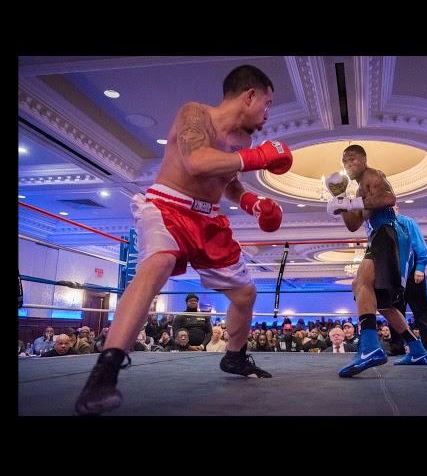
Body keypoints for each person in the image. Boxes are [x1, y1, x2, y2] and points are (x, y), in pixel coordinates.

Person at [75, 65, 293, 415]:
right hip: (168, 205)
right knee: (159, 261)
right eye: (266, 103)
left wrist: (254, 204)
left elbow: (228, 179)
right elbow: (196, 161)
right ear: (249, 95)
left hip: (209, 219)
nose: (267, 114)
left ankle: (234, 358)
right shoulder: (196, 114)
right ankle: (106, 370)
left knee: (245, 293)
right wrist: (260, 158)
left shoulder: (244, 141)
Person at [326, 144, 427, 378]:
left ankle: (370, 347)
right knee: (383, 304)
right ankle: (417, 350)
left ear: (363, 159)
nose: (348, 164)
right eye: (344, 161)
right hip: (380, 235)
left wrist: (351, 203)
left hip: (387, 233)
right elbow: (353, 224)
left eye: (352, 159)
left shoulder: (372, 175)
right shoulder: (359, 190)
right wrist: (341, 199)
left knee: (360, 282)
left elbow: (389, 197)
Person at [385, 204, 427, 356]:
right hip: (392, 273)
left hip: (412, 270)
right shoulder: (382, 226)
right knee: (394, 310)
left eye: (390, 207)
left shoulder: (407, 222)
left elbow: (419, 245)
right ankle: (397, 346)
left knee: (420, 309)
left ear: (397, 208)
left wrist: (420, 267)